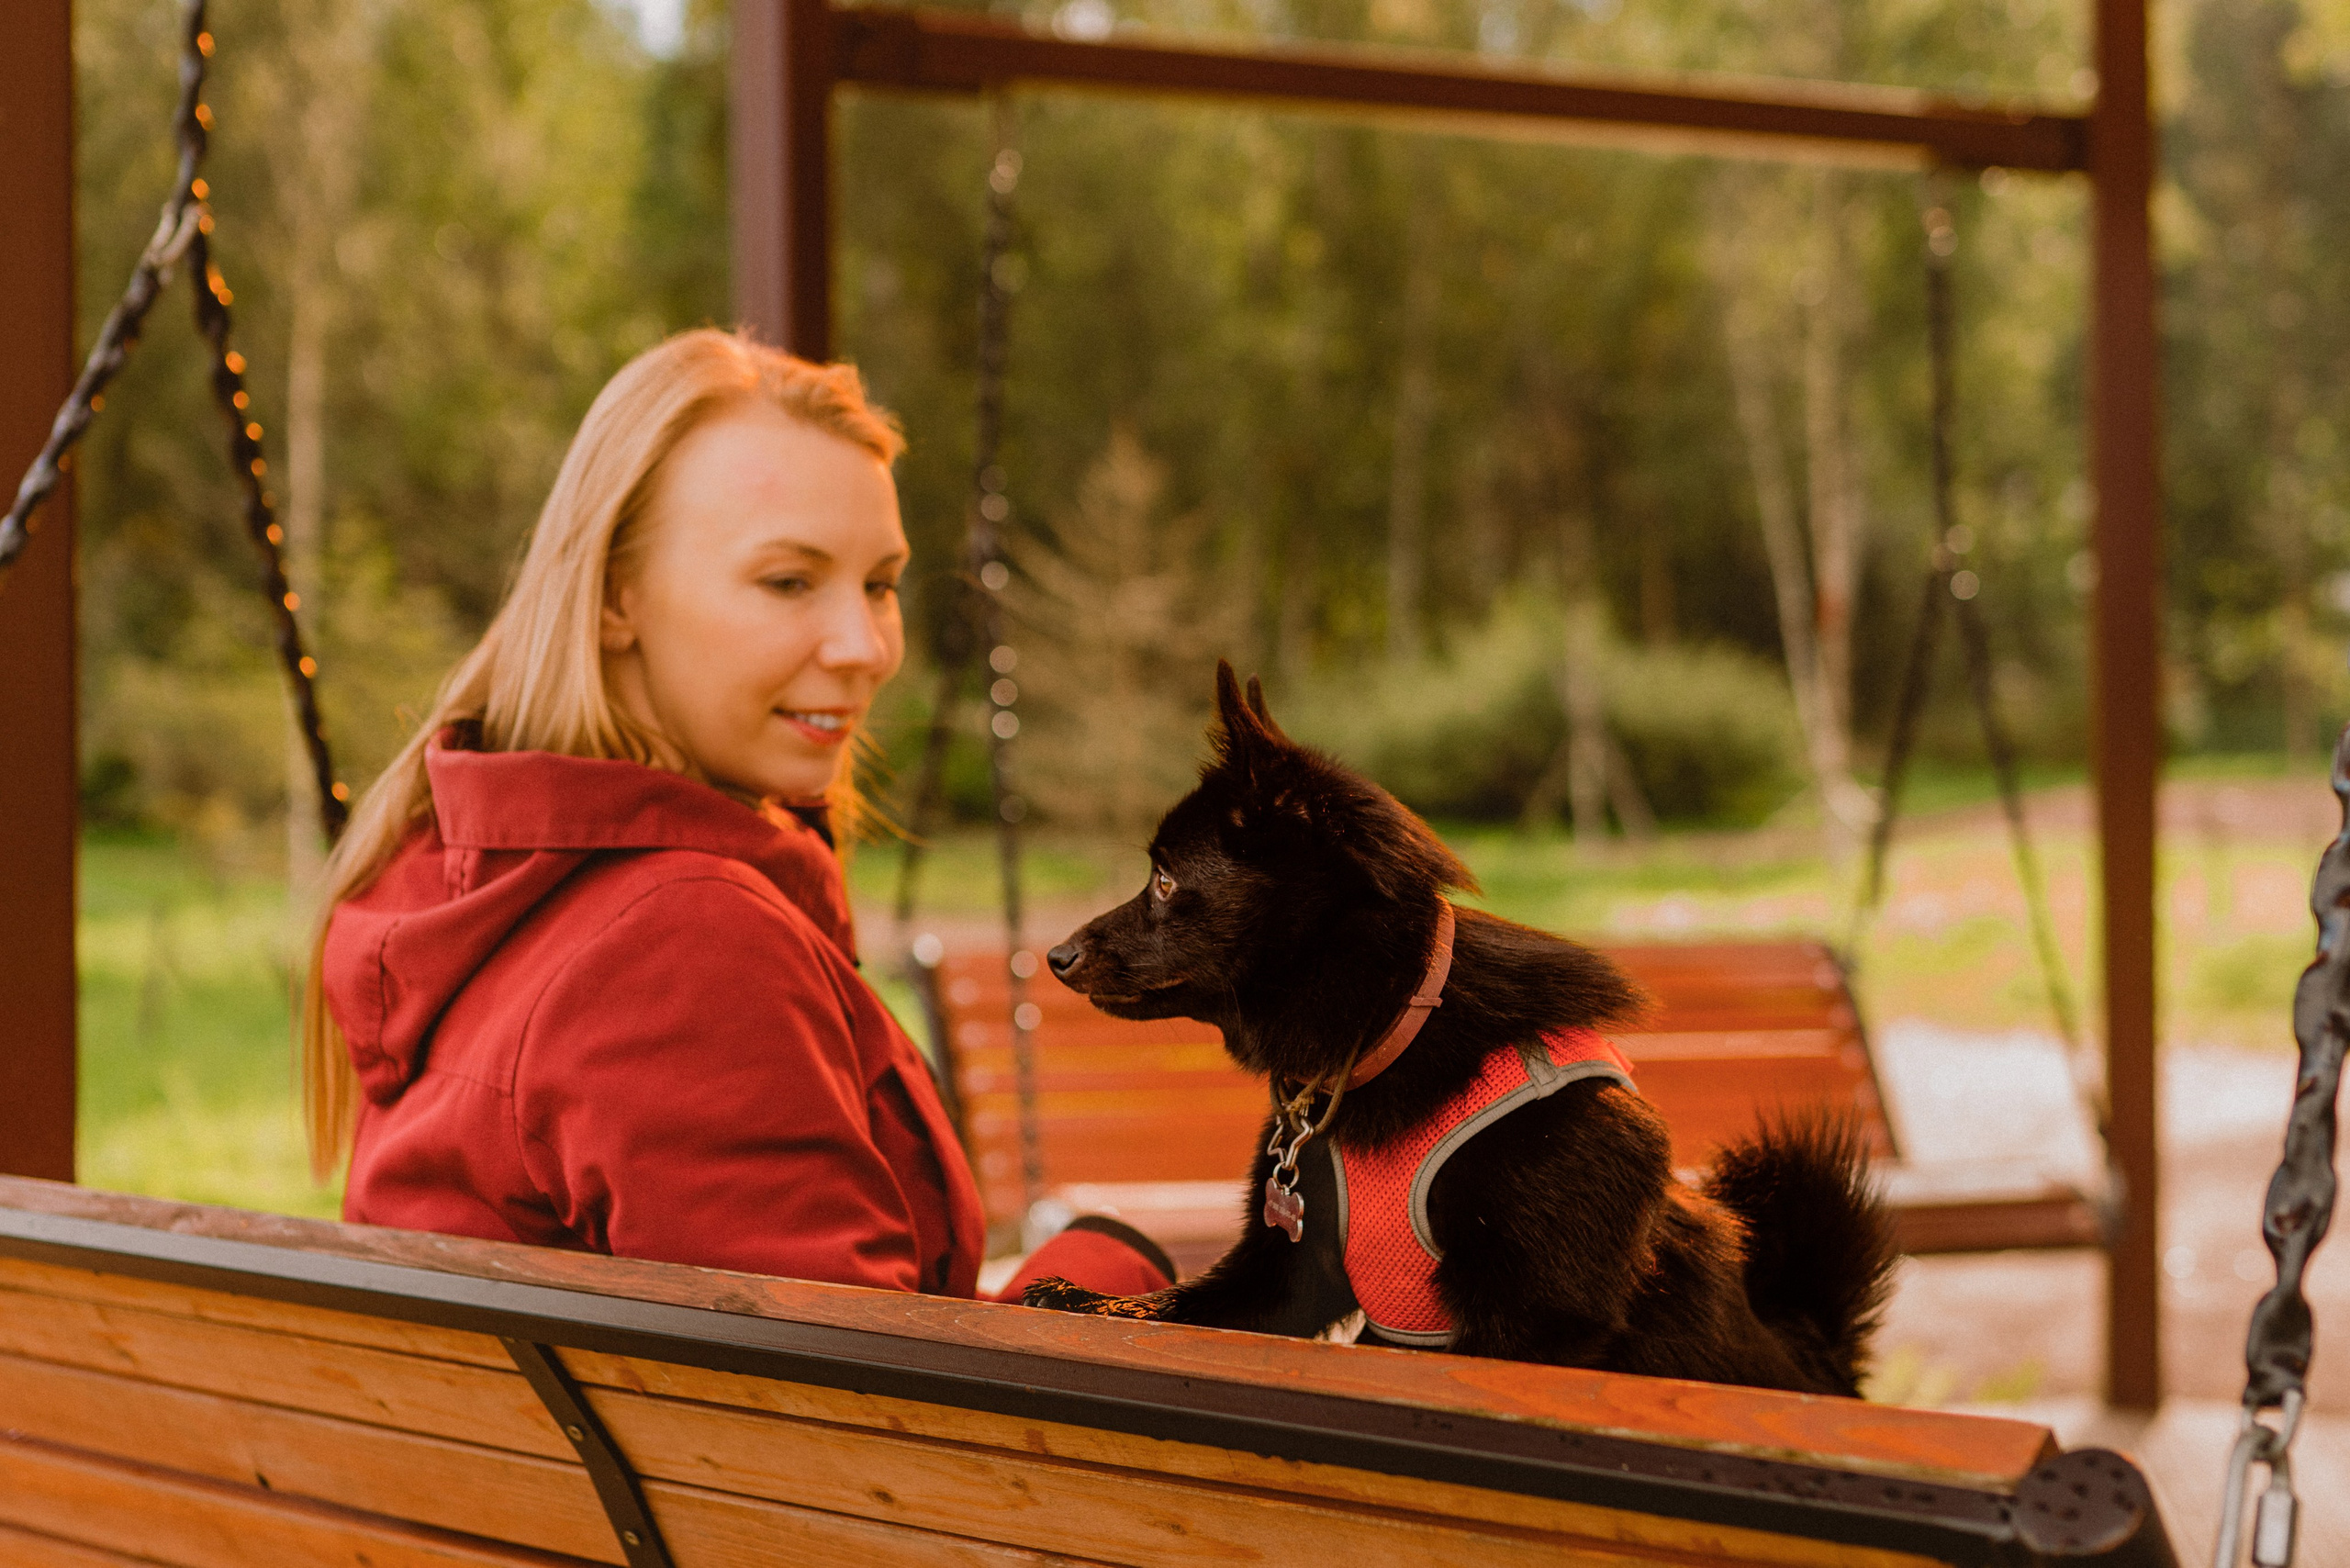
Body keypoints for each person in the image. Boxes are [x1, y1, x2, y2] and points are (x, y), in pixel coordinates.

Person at [298, 329, 1167, 1300]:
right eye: (788, 581)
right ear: (617, 597)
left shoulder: (468, 872)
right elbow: (857, 1418)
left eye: (879, 585)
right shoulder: (678, 950)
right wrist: (1113, 1263)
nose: (865, 646)